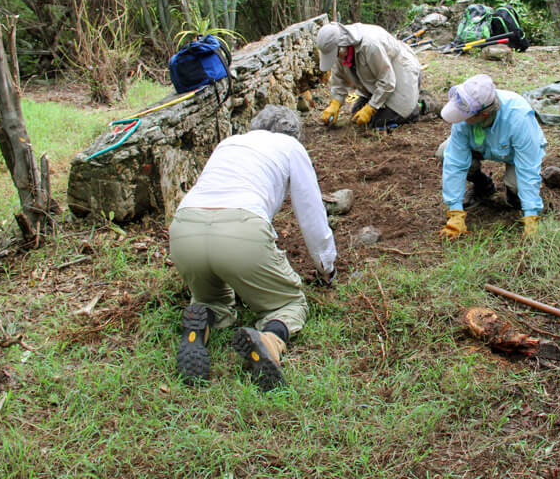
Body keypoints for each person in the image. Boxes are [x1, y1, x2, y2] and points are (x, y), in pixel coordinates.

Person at [169, 105, 337, 390]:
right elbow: (311, 213)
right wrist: (326, 267)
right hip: (241, 229)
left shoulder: (229, 142)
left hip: (185, 230)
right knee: (289, 303)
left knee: (212, 299)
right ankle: (270, 341)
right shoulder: (290, 147)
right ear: (293, 133)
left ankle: (200, 324)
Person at [437, 74, 547, 239]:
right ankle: (483, 186)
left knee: (517, 188)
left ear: (484, 114)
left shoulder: (518, 117)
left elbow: (527, 168)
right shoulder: (465, 114)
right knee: (444, 151)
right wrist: (455, 211)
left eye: (465, 116)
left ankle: (514, 195)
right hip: (481, 146)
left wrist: (531, 213)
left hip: (515, 154)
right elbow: (455, 163)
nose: (460, 118)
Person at [317, 21, 437, 129]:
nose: (336, 57)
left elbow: (387, 82)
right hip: (377, 80)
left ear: (343, 46)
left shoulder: (370, 45)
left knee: (380, 121)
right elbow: (339, 81)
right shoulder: (340, 51)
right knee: (357, 116)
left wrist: (371, 108)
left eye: (336, 53)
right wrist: (335, 103)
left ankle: (421, 104)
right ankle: (407, 98)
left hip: (401, 72)